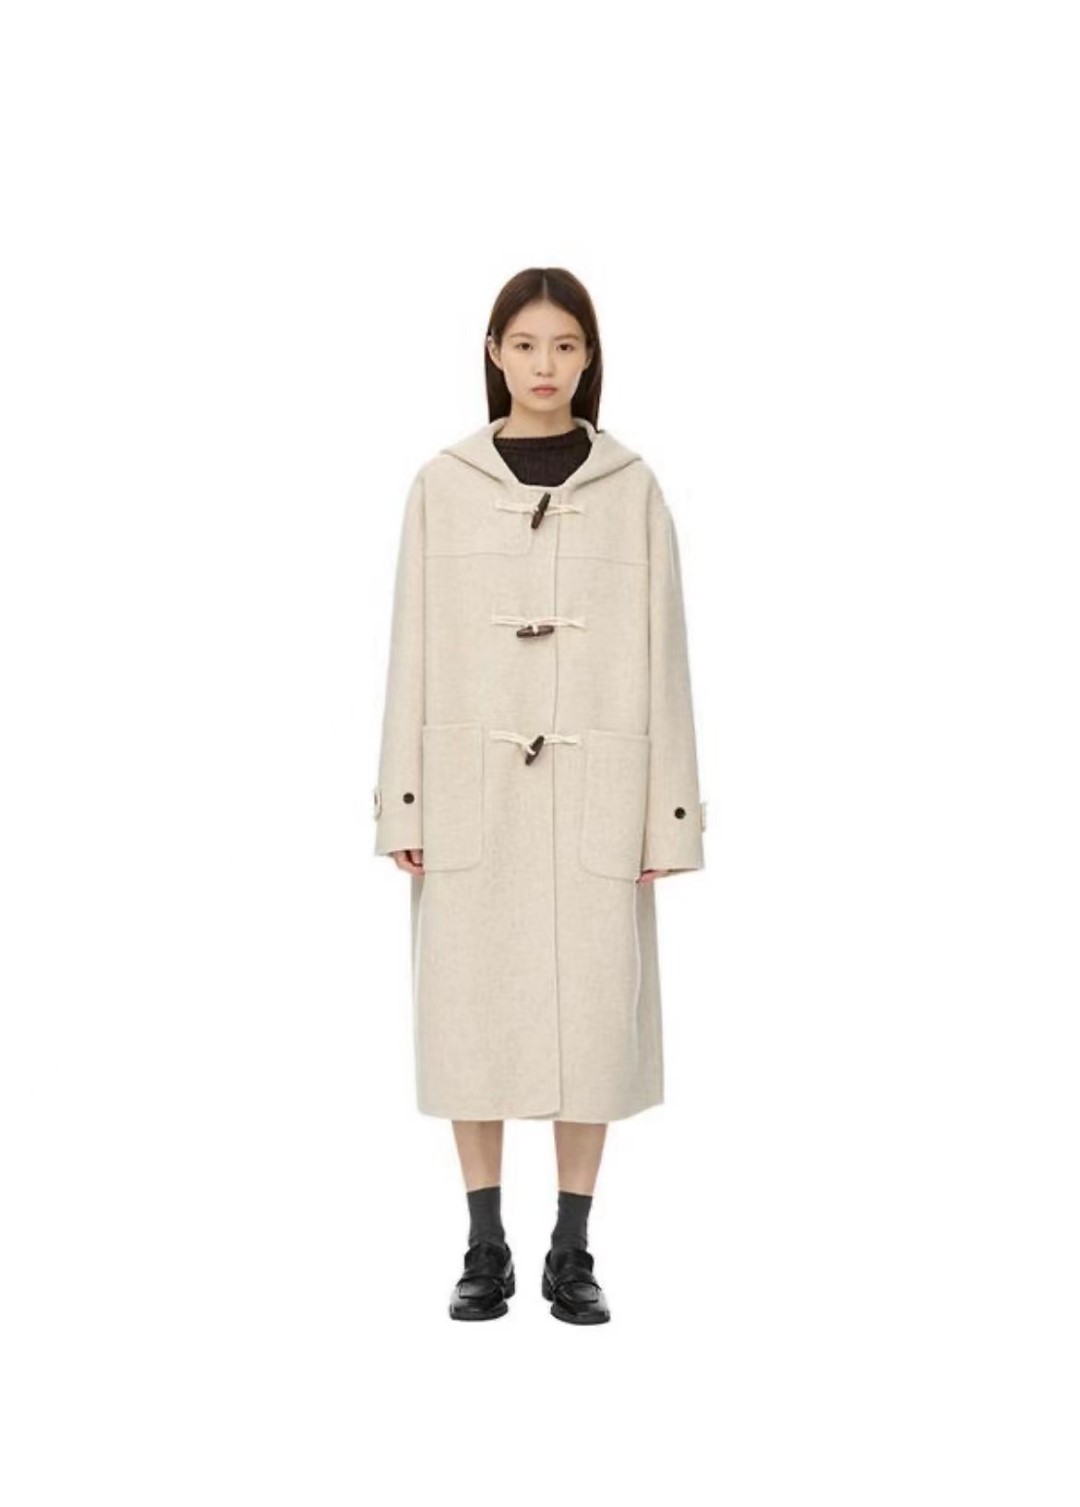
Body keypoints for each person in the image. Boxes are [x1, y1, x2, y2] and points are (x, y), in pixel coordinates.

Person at [372, 267, 706, 1324]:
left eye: (565, 345)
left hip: (599, 785)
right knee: (468, 1015)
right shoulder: (442, 484)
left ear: (589, 356)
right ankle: (484, 1244)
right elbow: (411, 646)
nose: (545, 365)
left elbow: (666, 657)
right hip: (470, 787)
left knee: (594, 1023)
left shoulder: (632, 487)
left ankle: (572, 1247)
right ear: (494, 353)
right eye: (525, 345)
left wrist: (668, 810)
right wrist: (404, 800)